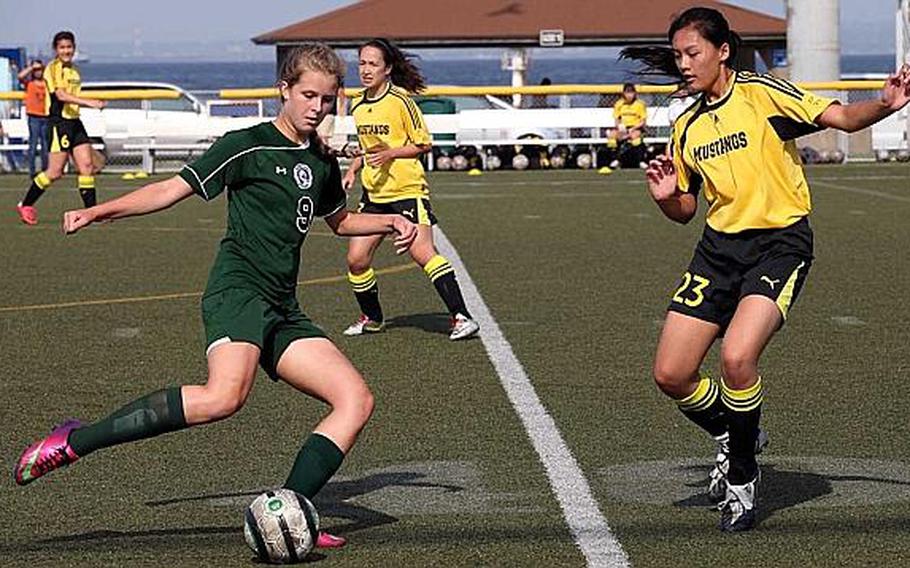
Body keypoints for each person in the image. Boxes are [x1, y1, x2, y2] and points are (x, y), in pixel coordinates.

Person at [12, 42, 419, 550]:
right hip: (238, 291)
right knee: (224, 397)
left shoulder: (320, 160)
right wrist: (99, 211)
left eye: (329, 99)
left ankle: (288, 509)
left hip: (281, 307)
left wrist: (390, 218)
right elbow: (171, 189)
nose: (318, 107)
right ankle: (73, 441)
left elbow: (339, 222)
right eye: (308, 95)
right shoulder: (246, 144)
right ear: (284, 91)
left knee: (355, 399)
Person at [623, 6, 910, 532]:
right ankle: (740, 433)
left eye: (693, 53)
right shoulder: (686, 125)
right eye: (679, 56)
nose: (684, 65)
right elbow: (686, 211)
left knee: (736, 357)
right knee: (671, 373)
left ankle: (742, 476)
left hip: (779, 245)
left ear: (722, 50)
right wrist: (665, 197)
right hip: (717, 251)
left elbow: (841, 118)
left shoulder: (763, 94)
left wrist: (887, 105)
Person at [341, 38, 479, 341]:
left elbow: (423, 143)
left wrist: (390, 154)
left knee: (423, 253)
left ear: (387, 68)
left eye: (372, 64)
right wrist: (352, 170)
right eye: (361, 63)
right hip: (374, 195)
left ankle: (461, 317)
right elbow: (369, 149)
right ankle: (373, 318)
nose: (365, 70)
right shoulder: (358, 104)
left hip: (406, 191)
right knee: (356, 259)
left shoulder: (401, 101)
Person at [15, 31, 105, 225]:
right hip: (59, 123)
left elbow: (71, 97)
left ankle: (92, 213)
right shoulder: (53, 69)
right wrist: (90, 103)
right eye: (62, 47)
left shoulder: (74, 70)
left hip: (74, 122)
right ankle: (26, 204)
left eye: (69, 47)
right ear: (56, 50)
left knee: (87, 167)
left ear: (74, 48)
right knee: (55, 172)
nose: (66, 51)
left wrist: (83, 105)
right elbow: (61, 96)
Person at [17, 60, 49, 177]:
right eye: (36, 70)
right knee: (33, 144)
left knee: (46, 146)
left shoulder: (47, 83)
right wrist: (31, 67)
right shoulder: (29, 83)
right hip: (33, 116)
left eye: (39, 70)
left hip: (46, 116)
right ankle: (32, 171)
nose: (38, 72)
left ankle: (45, 170)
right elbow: (20, 76)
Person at [605, 83, 648, 169]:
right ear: (623, 93)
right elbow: (617, 119)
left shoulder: (640, 104)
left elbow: (643, 121)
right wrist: (620, 127)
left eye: (631, 92)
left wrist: (633, 128)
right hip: (623, 128)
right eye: (627, 92)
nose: (629, 95)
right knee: (612, 136)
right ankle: (615, 160)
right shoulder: (619, 104)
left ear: (635, 93)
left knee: (635, 137)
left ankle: (640, 160)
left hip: (635, 127)